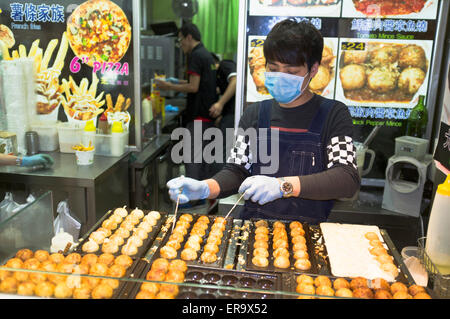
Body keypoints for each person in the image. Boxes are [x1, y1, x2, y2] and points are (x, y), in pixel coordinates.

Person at [167, 19, 360, 223]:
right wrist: (206, 188)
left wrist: (283, 186)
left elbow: (346, 178)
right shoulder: (255, 114)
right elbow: (237, 170)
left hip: (306, 237)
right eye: (273, 68)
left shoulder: (333, 114)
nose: (280, 77)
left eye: (291, 72)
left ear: (313, 70)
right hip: (254, 229)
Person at [155, 22, 218, 182]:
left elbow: (194, 86)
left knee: (193, 159)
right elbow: (198, 82)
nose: (180, 43)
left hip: (198, 116)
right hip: (207, 116)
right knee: (202, 157)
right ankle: (202, 197)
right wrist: (177, 81)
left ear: (189, 37)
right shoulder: (205, 54)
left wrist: (168, 85)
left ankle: (194, 199)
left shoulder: (195, 55)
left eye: (180, 39)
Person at [210, 53, 237, 164]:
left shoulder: (225, 65)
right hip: (228, 114)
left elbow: (235, 81)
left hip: (233, 114)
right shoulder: (218, 76)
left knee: (224, 150)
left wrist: (220, 104)